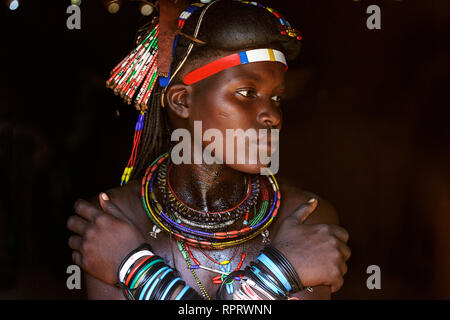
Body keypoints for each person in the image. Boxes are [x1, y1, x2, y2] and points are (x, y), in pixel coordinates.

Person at [67, 0, 350, 300]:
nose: (273, 116)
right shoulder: (115, 220)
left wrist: (135, 269)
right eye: (247, 93)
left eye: (276, 98)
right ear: (182, 102)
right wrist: (278, 275)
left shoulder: (306, 218)